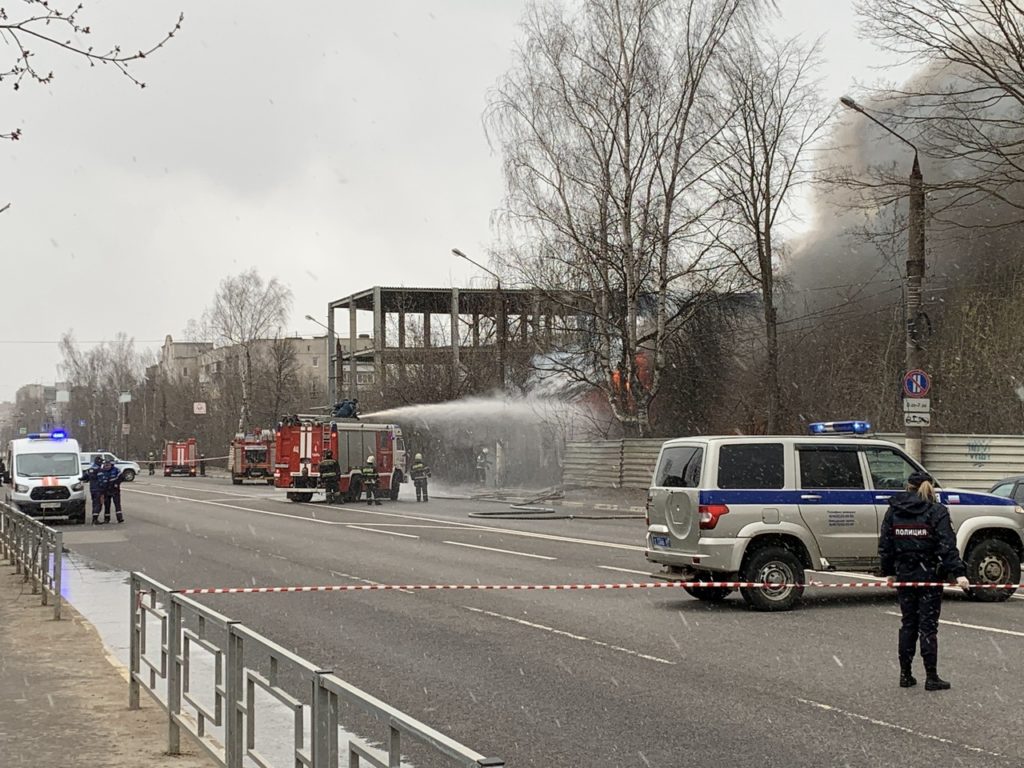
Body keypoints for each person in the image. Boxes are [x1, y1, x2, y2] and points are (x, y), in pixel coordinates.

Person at [878, 471, 970, 691]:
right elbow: (946, 545)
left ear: (907, 486)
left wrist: (889, 571)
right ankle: (931, 677)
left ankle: (905, 674)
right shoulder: (936, 511)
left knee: (908, 623)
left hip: (905, 575)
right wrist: (958, 573)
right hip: (929, 575)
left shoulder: (894, 510)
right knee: (928, 627)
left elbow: (886, 544)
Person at [99, 459, 124, 524]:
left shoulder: (116, 470)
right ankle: (107, 519)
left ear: (111, 465)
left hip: (115, 490)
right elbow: (100, 480)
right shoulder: (102, 471)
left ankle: (119, 518)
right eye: (105, 465)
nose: (107, 466)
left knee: (117, 504)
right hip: (106, 491)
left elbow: (121, 477)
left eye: (108, 465)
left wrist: (117, 483)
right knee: (107, 505)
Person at [85, 455, 104, 524]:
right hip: (98, 489)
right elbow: (102, 480)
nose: (102, 464)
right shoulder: (99, 469)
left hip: (92, 489)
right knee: (98, 504)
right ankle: (95, 519)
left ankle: (94, 518)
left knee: (94, 503)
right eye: (101, 462)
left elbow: (84, 477)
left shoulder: (90, 469)